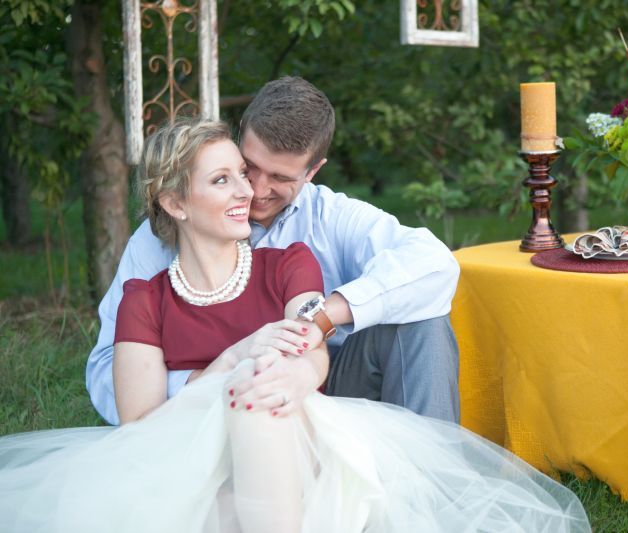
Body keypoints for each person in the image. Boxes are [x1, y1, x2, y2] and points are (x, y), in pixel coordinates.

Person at [0, 118, 591, 532]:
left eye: (249, 175)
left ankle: (427, 501)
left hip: (295, 422)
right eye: (228, 177)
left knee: (269, 383)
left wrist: (279, 365)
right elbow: (138, 419)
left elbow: (307, 346)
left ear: (313, 171)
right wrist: (235, 360)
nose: (250, 191)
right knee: (244, 406)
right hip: (191, 448)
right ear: (175, 205)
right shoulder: (143, 290)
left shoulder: (294, 258)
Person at [86, 76, 461, 426]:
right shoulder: (158, 238)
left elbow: (435, 264)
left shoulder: (329, 219)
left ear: (313, 171)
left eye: (281, 178)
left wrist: (324, 319)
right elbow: (107, 369)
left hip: (327, 391)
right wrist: (220, 378)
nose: (255, 190)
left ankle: (428, 479)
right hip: (199, 412)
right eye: (248, 168)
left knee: (422, 322)